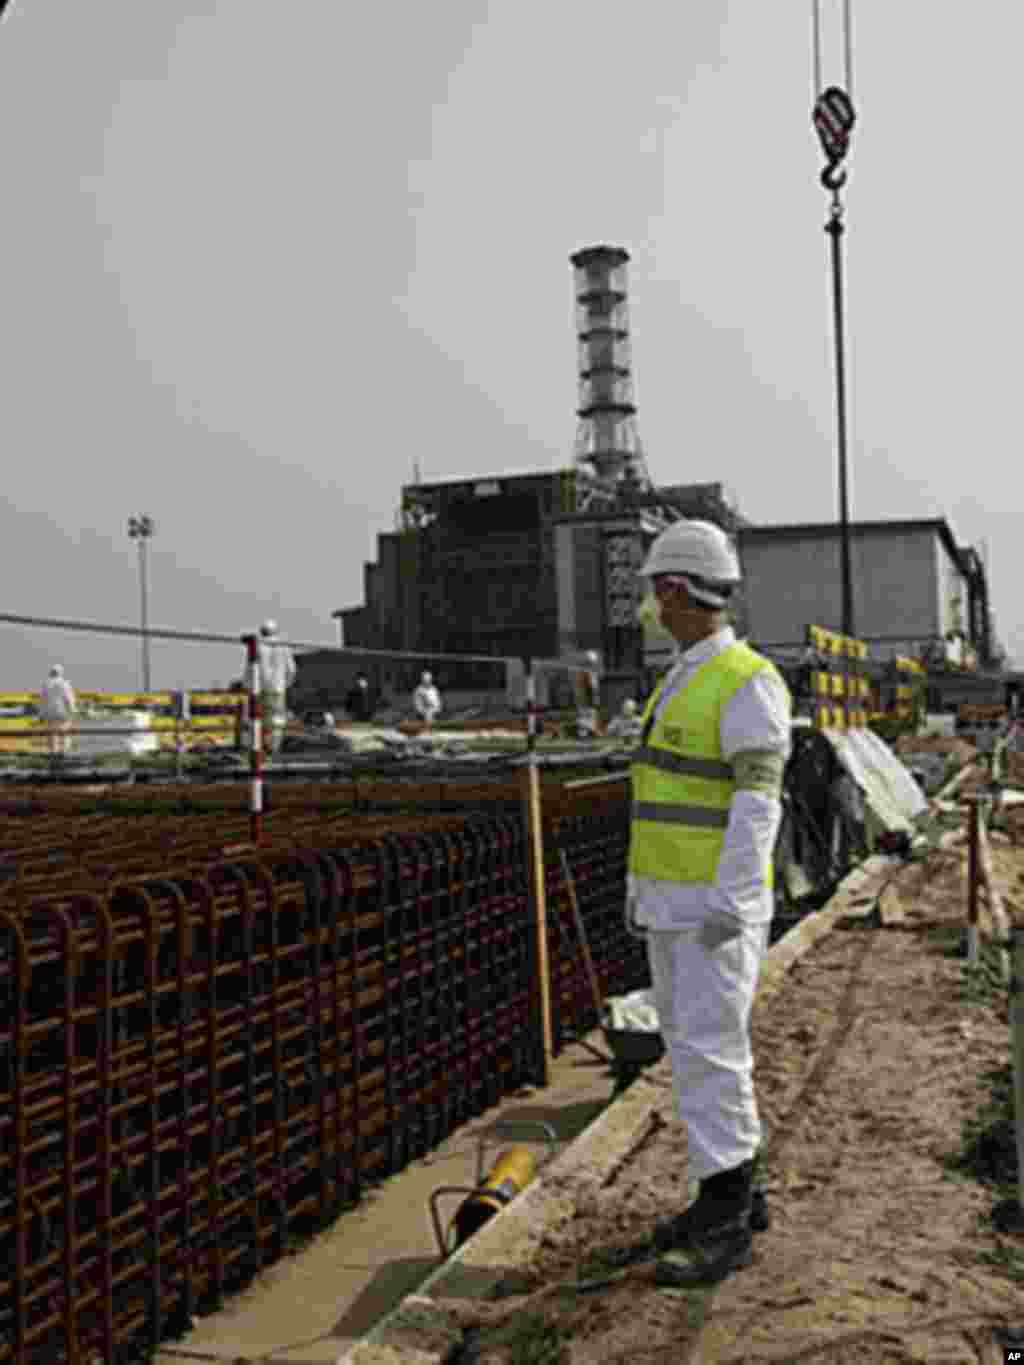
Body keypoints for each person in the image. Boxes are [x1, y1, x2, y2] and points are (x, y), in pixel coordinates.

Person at [619, 519, 792, 1288]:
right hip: (670, 900)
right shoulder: (684, 673)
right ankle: (726, 1190)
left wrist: (735, 900)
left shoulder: (745, 680)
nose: (651, 606)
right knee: (692, 1049)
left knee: (715, 1052)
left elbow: (758, 805)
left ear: (677, 589)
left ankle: (727, 1214)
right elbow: (661, 792)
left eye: (658, 589)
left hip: (711, 910)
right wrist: (639, 887)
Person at [257, 619, 296, 754]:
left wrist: (249, 687)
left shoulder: (257, 646)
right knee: (277, 719)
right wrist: (285, 684)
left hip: (262, 688)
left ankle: (264, 748)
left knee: (261, 719)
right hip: (278, 688)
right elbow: (291, 669)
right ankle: (275, 748)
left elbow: (251, 669)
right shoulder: (283, 646)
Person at [39, 663, 77, 757]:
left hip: (50, 713)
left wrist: (41, 714)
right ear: (61, 672)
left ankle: (53, 752)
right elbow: (69, 699)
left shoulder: (45, 684)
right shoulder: (64, 683)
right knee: (65, 732)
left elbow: (43, 700)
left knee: (52, 734)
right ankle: (64, 752)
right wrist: (73, 710)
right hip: (62, 712)